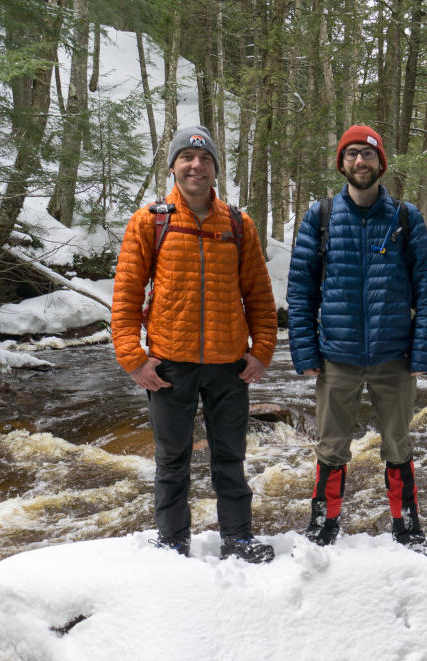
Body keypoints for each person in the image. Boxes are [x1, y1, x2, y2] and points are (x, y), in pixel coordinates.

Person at [112, 125, 278, 563]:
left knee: (230, 459)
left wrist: (261, 351)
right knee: (171, 462)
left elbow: (259, 294)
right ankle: (171, 543)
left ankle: (238, 540)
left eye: (204, 159)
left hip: (229, 366)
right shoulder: (152, 221)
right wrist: (133, 358)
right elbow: (127, 294)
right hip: (169, 365)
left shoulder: (238, 224)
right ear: (173, 166)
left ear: (215, 170)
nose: (196, 165)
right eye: (186, 157)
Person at [286, 124, 427, 556]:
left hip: (396, 356)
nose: (360, 161)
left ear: (380, 164)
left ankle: (406, 525)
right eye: (352, 154)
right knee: (331, 447)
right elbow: (301, 290)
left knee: (398, 445)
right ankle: (323, 524)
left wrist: (423, 351)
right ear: (342, 163)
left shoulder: (406, 219)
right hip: (338, 357)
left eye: (368, 155)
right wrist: (305, 351)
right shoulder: (319, 218)